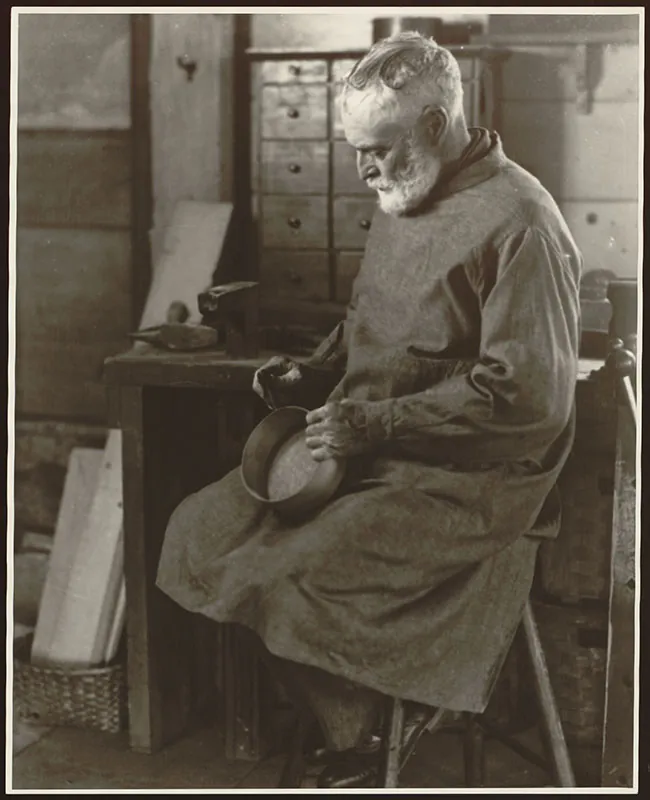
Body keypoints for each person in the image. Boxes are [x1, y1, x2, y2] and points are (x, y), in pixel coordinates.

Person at [156, 32, 582, 789]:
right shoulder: (405, 188)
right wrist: (314, 370)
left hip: (476, 476)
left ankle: (370, 735)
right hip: (368, 446)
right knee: (200, 529)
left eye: (376, 148)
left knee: (295, 576)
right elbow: (372, 324)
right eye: (354, 149)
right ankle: (359, 720)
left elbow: (527, 400)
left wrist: (376, 424)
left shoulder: (522, 221)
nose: (363, 170)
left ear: (432, 128)